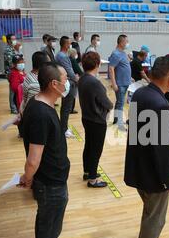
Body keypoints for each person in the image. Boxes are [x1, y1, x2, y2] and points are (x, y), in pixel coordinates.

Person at [19, 62, 74, 238]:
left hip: (56, 178)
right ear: (53, 84)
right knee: (47, 225)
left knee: (51, 224)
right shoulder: (42, 112)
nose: (67, 83)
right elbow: (33, 158)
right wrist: (27, 178)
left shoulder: (39, 103)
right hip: (49, 182)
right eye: (64, 79)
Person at [124, 56, 169, 238]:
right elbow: (162, 150)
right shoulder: (161, 105)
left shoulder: (139, 93)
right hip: (154, 172)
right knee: (155, 215)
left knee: (149, 210)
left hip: (138, 165)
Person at [78, 52, 113, 188]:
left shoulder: (82, 78)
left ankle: (87, 171)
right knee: (95, 150)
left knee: (89, 146)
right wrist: (111, 106)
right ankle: (92, 179)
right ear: (97, 64)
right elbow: (105, 102)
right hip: (96, 120)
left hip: (86, 117)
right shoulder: (95, 82)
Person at [55, 36, 79, 138]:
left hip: (68, 82)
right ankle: (64, 129)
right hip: (68, 83)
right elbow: (69, 71)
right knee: (66, 107)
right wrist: (77, 79)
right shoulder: (62, 56)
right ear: (65, 44)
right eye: (69, 43)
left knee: (66, 107)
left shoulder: (62, 55)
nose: (70, 45)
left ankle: (63, 127)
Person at [109, 34, 132, 131]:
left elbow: (125, 66)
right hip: (120, 83)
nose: (127, 43)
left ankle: (116, 119)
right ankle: (119, 124)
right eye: (126, 41)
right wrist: (114, 83)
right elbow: (111, 68)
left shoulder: (123, 53)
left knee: (119, 103)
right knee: (121, 103)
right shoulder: (116, 54)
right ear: (121, 42)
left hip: (126, 82)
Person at [4, 34, 18, 114]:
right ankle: (13, 108)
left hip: (16, 71)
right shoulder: (7, 50)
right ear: (9, 40)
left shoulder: (14, 48)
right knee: (12, 90)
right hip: (11, 72)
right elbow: (11, 63)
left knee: (16, 89)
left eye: (15, 38)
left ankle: (16, 105)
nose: (15, 40)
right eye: (13, 39)